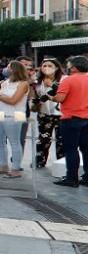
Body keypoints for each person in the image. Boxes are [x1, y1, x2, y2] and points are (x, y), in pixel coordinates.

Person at [49, 56, 88, 188]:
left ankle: (72, 178)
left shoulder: (68, 80)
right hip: (86, 118)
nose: (68, 67)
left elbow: (60, 98)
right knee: (86, 149)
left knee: (71, 150)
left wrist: (51, 96)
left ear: (75, 67)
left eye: (69, 65)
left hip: (71, 118)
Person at [0, 60, 30, 178]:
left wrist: (0, 97)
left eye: (9, 67)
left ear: (15, 69)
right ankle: (3, 165)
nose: (6, 69)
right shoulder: (4, 82)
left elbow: (14, 100)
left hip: (15, 114)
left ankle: (16, 169)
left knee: (14, 142)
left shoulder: (23, 84)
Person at [33, 58, 65, 169]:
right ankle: (40, 161)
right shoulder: (37, 82)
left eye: (50, 65)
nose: (46, 68)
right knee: (43, 138)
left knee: (62, 140)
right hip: (44, 114)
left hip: (61, 114)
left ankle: (62, 163)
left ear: (56, 67)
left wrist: (52, 84)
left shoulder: (64, 79)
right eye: (44, 65)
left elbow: (65, 94)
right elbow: (35, 98)